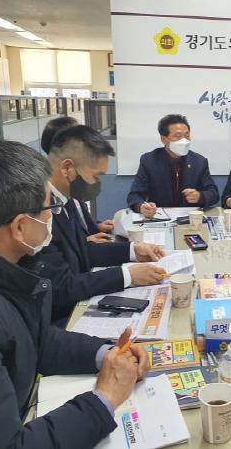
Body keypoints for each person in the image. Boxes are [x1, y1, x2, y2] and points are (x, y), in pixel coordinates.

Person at [0, 140, 149, 448]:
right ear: (20, 226)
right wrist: (105, 398)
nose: (53, 216)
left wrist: (105, 354)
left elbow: (34, 339)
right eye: (49, 208)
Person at [42, 125, 166, 324]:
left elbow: (83, 252)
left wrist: (132, 250)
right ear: (67, 168)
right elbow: (61, 287)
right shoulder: (41, 211)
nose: (98, 183)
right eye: (96, 176)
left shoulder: (66, 200)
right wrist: (127, 275)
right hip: (61, 320)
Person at [127, 114, 219, 217]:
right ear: (164, 139)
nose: (184, 141)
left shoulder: (199, 161)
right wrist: (141, 206)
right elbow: (135, 195)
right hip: (160, 217)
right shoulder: (149, 161)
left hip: (190, 218)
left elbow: (214, 194)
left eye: (187, 136)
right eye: (178, 136)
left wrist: (200, 196)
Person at [41, 116, 115, 243]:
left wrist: (96, 226)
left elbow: (80, 222)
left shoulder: (72, 189)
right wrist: (85, 241)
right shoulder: (47, 202)